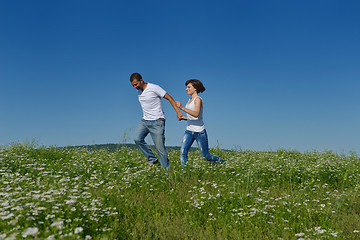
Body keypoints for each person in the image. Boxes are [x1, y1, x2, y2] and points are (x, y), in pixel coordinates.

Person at [130, 72, 184, 170]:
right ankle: (153, 159)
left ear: (141, 80)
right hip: (145, 121)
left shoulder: (154, 88)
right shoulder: (139, 91)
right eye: (133, 85)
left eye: (136, 84)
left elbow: (169, 98)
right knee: (137, 139)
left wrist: (178, 112)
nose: (134, 87)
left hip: (157, 122)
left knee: (160, 149)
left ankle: (167, 174)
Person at [176, 79, 226, 166]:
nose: (186, 89)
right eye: (186, 87)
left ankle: (224, 162)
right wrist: (184, 118)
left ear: (195, 88)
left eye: (188, 87)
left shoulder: (198, 99)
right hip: (188, 131)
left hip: (199, 132)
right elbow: (193, 117)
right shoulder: (189, 100)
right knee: (183, 153)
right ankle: (185, 173)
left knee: (206, 156)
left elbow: (196, 114)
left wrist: (182, 108)